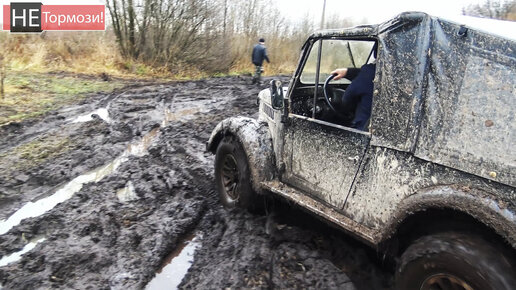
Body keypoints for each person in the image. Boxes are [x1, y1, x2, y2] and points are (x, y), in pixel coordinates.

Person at [330, 45, 377, 131]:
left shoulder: (368, 73)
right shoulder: (403, 75)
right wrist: (348, 72)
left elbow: (346, 100)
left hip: (363, 133)